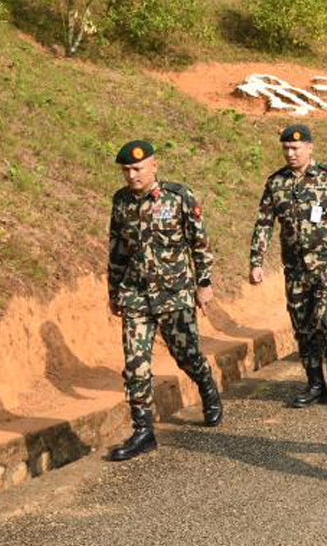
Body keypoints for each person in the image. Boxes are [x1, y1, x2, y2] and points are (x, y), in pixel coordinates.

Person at [106, 140, 222, 461]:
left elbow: (199, 242)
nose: (131, 176)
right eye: (126, 170)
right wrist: (114, 291)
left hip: (175, 294)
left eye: (137, 169)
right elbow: (116, 249)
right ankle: (143, 430)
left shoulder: (179, 197)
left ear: (154, 166)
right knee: (135, 363)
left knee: (186, 355)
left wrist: (204, 283)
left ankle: (206, 386)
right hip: (135, 295)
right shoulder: (121, 202)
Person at [250, 125, 327, 407]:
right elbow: (264, 223)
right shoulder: (275, 183)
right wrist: (256, 261)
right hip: (296, 270)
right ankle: (314, 382)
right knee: (303, 328)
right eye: (286, 148)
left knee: (326, 322)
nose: (291, 153)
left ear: (310, 148)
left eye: (296, 148)